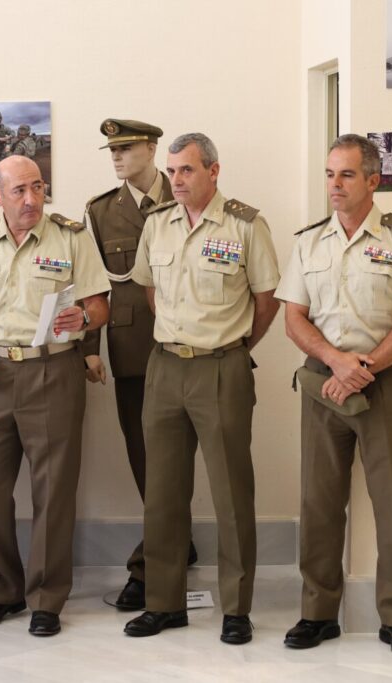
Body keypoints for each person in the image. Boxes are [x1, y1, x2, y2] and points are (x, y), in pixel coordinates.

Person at [276, 134, 392, 656]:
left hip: (384, 385)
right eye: (329, 174)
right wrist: (337, 362)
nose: (335, 185)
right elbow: (293, 318)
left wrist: (361, 367)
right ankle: (318, 614)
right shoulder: (309, 242)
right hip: (323, 384)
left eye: (346, 175)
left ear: (373, 180)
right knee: (319, 503)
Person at [123, 133, 280, 645]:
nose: (176, 180)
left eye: (186, 170)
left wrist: (232, 347)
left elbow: (267, 300)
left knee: (232, 492)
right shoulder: (157, 224)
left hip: (221, 368)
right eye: (171, 171)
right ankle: (163, 604)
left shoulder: (246, 225)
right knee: (163, 494)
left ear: (214, 171)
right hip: (165, 367)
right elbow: (150, 290)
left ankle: (236, 609)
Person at [0, 155, 110, 637]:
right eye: (19, 190)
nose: (31, 199)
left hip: (53, 370)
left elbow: (99, 304)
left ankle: (46, 599)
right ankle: (3, 592)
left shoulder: (71, 237)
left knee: (53, 491)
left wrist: (84, 318)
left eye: (37, 187)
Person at [82, 119, 198, 613]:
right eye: (112, 150)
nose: (117, 157)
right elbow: (90, 282)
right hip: (132, 349)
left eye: (127, 148)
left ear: (151, 149)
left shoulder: (188, 192)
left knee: (179, 459)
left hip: (190, 345)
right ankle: (172, 545)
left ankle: (158, 558)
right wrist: (90, 346)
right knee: (146, 459)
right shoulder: (101, 211)